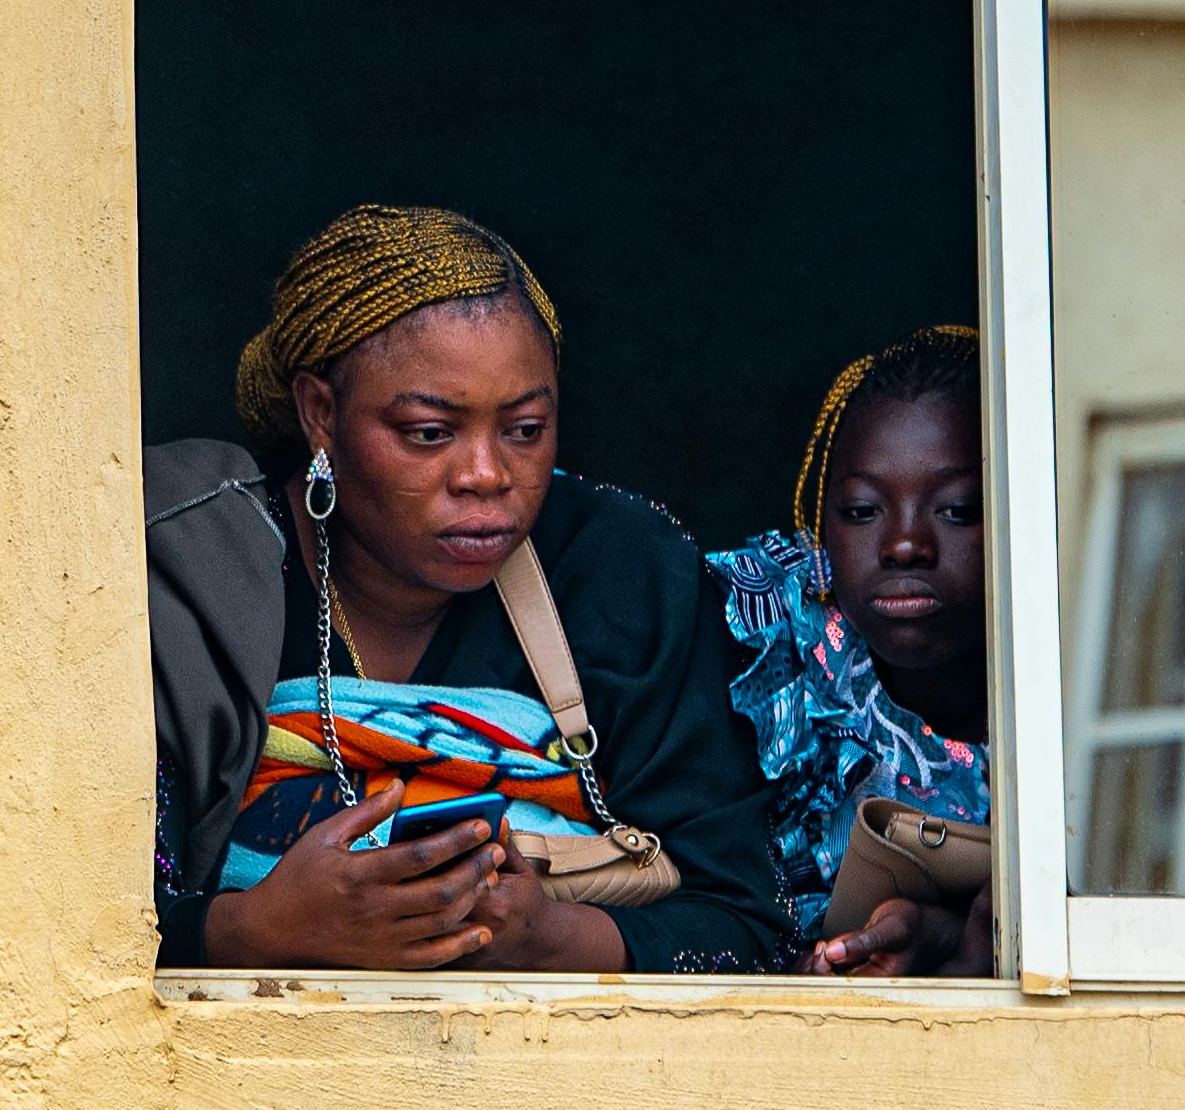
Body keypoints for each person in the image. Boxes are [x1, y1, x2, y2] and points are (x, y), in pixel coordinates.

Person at [146, 205, 792, 974]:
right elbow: (53, 925)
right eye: (429, 432)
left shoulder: (622, 571)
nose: (486, 476)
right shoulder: (190, 572)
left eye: (524, 429)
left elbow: (750, 929)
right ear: (321, 414)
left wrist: (546, 939)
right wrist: (255, 932)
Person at [714, 325, 995, 978]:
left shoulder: (1085, 686)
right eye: (864, 511)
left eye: (957, 510)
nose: (904, 544)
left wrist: (947, 938)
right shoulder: (779, 646)